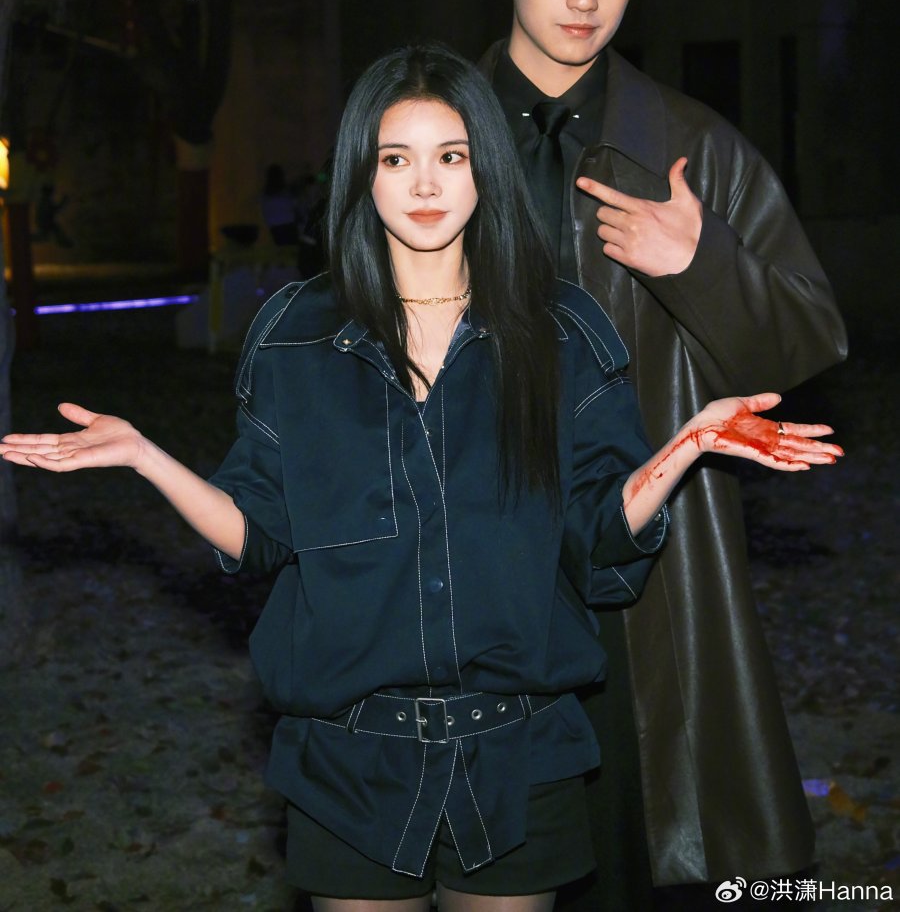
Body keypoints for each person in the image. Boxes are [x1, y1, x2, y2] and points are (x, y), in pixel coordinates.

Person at [1, 44, 842, 912]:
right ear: (362, 175)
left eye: (452, 156)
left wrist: (687, 444)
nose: (426, 183)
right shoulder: (296, 333)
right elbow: (259, 531)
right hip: (349, 760)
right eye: (396, 159)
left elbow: (595, 537)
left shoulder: (558, 328)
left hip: (520, 755)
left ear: (487, 169)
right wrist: (146, 457)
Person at [481, 0, 849, 909]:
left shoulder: (689, 146)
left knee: (626, 845)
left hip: (637, 567)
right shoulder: (431, 134)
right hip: (470, 557)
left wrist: (702, 264)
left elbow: (805, 345)